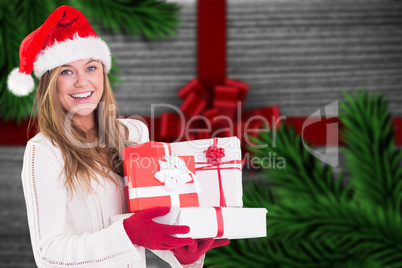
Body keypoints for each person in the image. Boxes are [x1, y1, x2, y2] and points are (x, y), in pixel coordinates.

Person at [7, 5, 229, 268]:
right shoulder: (44, 150)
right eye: (66, 71)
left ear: (103, 72)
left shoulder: (133, 132)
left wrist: (182, 253)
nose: (82, 82)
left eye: (91, 68)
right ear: (49, 83)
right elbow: (48, 254)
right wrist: (127, 233)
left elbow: (150, 221)